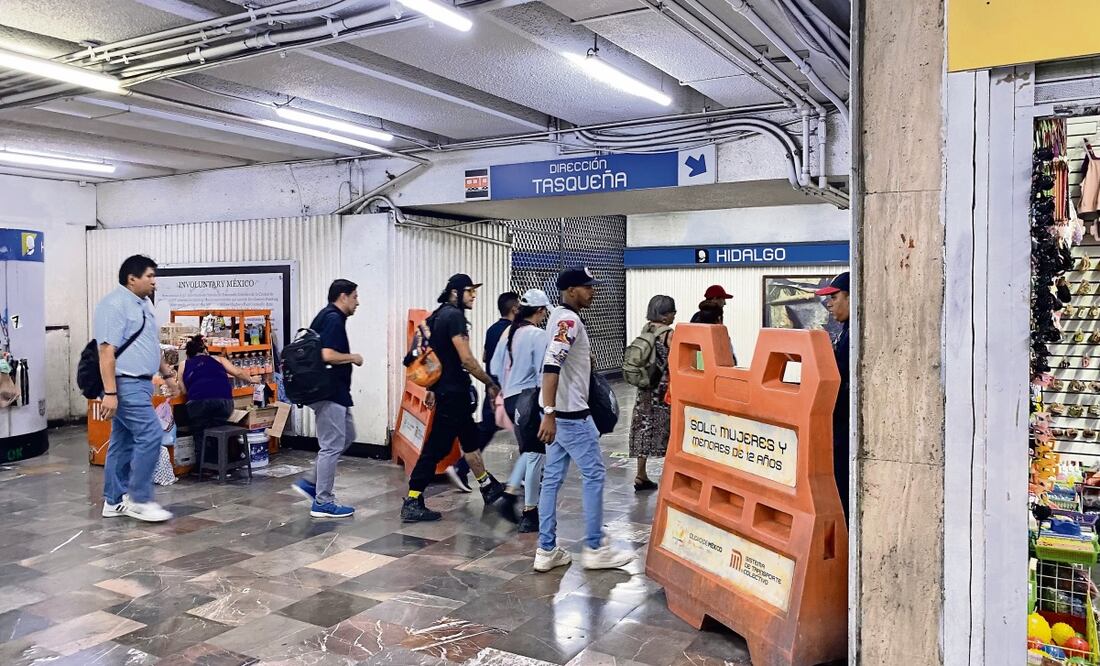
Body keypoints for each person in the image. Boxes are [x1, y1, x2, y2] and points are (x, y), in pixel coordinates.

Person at [534, 267, 634, 572]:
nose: (592, 291)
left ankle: (546, 549)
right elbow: (552, 365)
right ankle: (594, 547)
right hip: (571, 417)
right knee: (594, 475)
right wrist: (550, 414)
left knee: (552, 479)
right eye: (586, 287)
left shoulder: (557, 318)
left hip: (560, 414)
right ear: (570, 290)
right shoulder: (568, 320)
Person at [401, 274, 505, 522]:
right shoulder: (454, 317)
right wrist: (490, 382)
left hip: (447, 390)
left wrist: (432, 389)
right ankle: (413, 499)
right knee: (436, 448)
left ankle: (487, 486)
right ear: (455, 292)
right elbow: (466, 359)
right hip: (453, 393)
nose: (474, 296)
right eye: (469, 291)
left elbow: (438, 356)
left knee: (469, 440)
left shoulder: (438, 315)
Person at [97, 255, 180, 523]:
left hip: (142, 383)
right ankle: (139, 499)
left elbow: (149, 344)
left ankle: (113, 500)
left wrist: (167, 375)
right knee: (151, 434)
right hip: (125, 383)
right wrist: (110, 393)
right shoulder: (114, 304)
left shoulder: (144, 305)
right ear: (132, 279)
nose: (154, 282)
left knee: (122, 442)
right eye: (149, 276)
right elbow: (106, 351)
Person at [291, 279, 363, 519]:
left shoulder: (327, 316)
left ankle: (311, 483)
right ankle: (323, 501)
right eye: (354, 297)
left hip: (336, 392)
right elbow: (327, 355)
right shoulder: (332, 318)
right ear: (343, 296)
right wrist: (353, 357)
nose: (357, 302)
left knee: (348, 435)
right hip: (329, 392)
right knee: (332, 445)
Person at [491, 289, 551, 532]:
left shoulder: (509, 332)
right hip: (529, 398)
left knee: (528, 450)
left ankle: (508, 496)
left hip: (511, 397)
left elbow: (495, 365)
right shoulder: (538, 335)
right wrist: (549, 406)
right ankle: (530, 512)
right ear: (540, 311)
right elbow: (543, 373)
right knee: (536, 454)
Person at [448, 291, 520, 492]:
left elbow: (486, 356)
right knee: (518, 429)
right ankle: (460, 467)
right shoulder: (515, 331)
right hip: (504, 389)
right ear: (514, 308)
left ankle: (461, 468)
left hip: (493, 386)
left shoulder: (492, 330)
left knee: (489, 430)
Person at [178, 335, 262, 465]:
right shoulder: (218, 359)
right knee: (220, 428)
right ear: (206, 351)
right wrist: (252, 379)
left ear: (188, 354)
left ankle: (205, 468)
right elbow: (238, 373)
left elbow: (183, 390)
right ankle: (223, 465)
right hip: (223, 402)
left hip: (198, 403)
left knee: (200, 433)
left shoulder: (184, 364)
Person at [629, 295, 676, 493]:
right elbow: (675, 361)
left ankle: (641, 474)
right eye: (673, 312)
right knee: (668, 430)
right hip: (663, 390)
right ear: (665, 315)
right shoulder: (668, 334)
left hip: (644, 388)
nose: (674, 315)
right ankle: (669, 476)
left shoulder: (646, 329)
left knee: (642, 427)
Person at [816, 271, 850, 523]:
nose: (829, 304)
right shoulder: (847, 332)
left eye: (834, 297)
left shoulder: (856, 336)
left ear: (850, 297)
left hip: (846, 428)